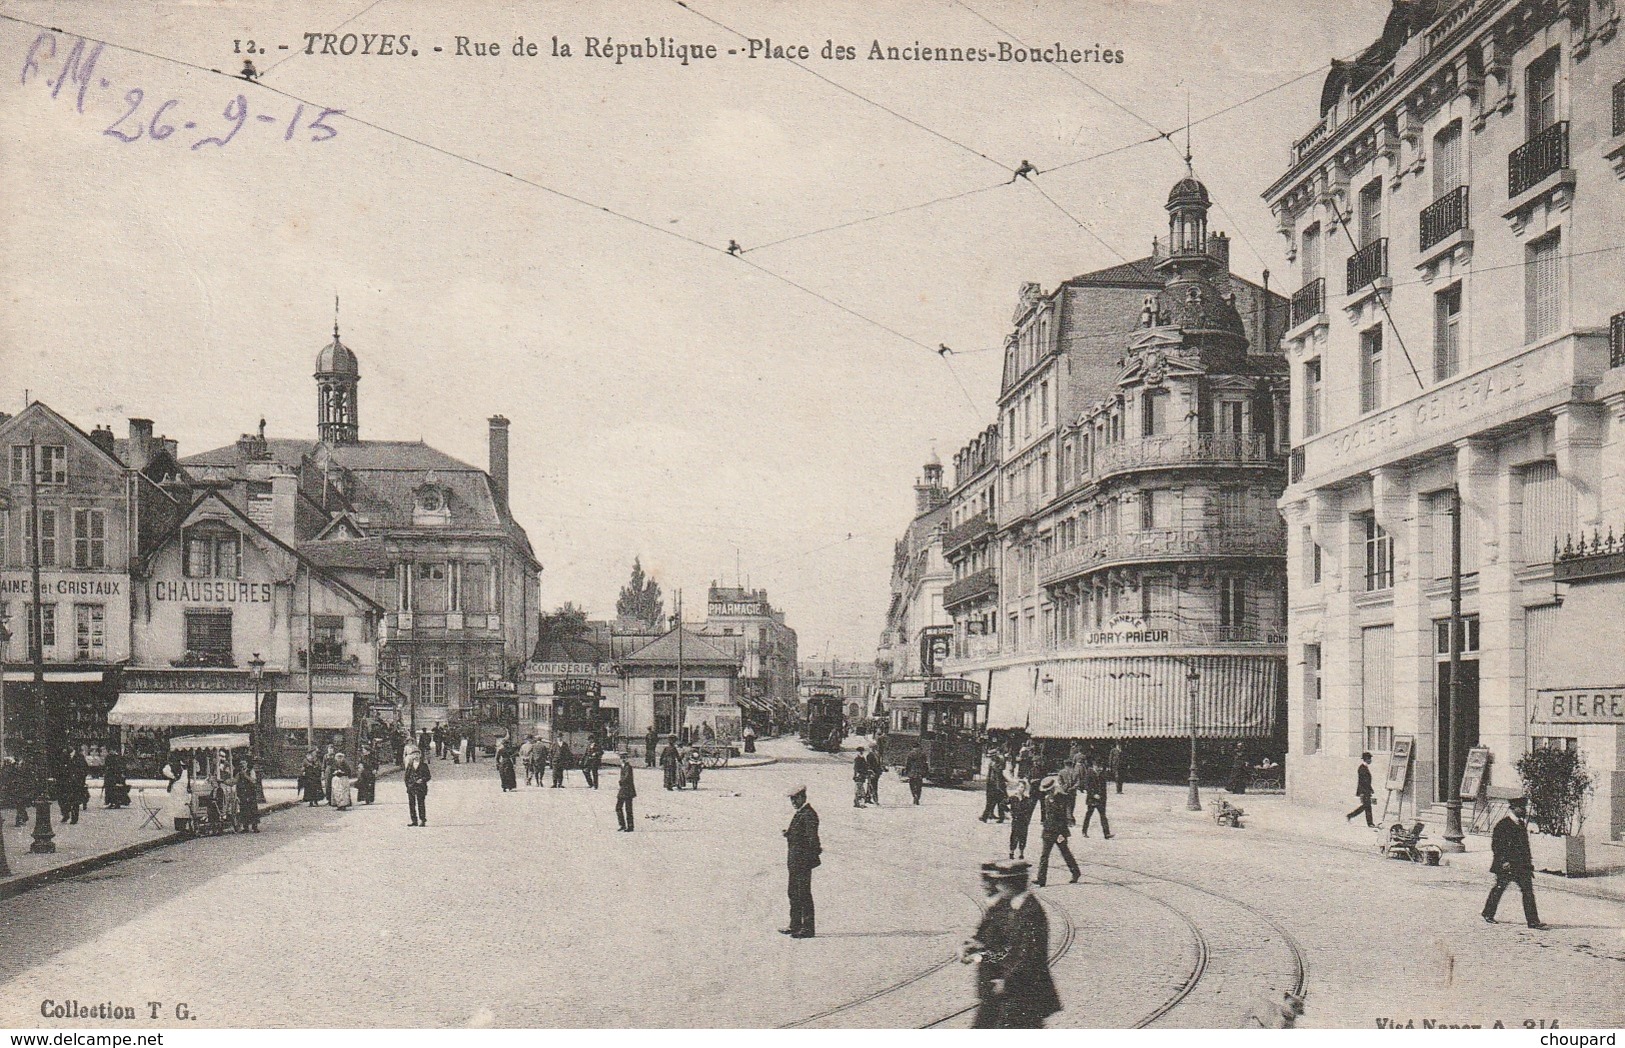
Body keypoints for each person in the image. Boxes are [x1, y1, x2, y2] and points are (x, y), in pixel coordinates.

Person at [960, 860, 1061, 1028]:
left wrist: (1006, 982)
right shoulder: (1013, 907)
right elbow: (999, 940)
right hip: (1010, 990)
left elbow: (1029, 956)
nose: (997, 887)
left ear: (1011, 884)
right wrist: (976, 946)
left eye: (1000, 882)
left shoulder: (1030, 912)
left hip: (1024, 993)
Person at [1482, 796, 1547, 929]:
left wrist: (1529, 863)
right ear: (1513, 808)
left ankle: (1533, 921)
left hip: (1522, 865)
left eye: (1524, 807)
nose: (1524, 810)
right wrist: (1504, 861)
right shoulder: (1503, 825)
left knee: (1528, 891)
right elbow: (1497, 846)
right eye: (1521, 808)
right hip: (1507, 865)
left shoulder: (1521, 824)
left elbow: (1524, 846)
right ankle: (1488, 913)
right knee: (1499, 888)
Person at [782, 784, 821, 938]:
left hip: (802, 862)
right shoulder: (801, 813)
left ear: (802, 797)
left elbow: (812, 840)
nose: (792, 802)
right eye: (791, 799)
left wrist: (808, 860)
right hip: (795, 861)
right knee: (793, 893)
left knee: (803, 894)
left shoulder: (809, 814)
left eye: (794, 799)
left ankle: (808, 928)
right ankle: (795, 924)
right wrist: (789, 834)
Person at [1033, 776, 1082, 888]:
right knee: (1044, 855)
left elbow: (1063, 816)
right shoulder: (1047, 798)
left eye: (1048, 790)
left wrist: (1061, 833)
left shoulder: (1062, 798)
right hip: (1048, 831)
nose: (1046, 792)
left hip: (1060, 832)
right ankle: (1041, 879)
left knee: (1065, 852)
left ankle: (1075, 872)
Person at [1081, 755, 1113, 839]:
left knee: (1103, 816)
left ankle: (1106, 834)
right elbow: (1087, 786)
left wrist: (1104, 798)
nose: (1099, 769)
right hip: (1092, 799)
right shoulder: (1089, 773)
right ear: (1094, 766)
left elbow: (1104, 787)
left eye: (1101, 767)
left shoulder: (1103, 774)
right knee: (1089, 815)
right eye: (1098, 767)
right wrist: (1093, 794)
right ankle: (1084, 831)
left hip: (1101, 799)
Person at [58, 745, 90, 824]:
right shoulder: (64, 756)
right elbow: (60, 768)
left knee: (75, 801)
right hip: (65, 782)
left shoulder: (80, 757)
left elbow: (85, 769)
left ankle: (74, 818)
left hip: (76, 783)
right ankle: (65, 814)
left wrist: (80, 779)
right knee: (62, 800)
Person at [1007, 776, 1036, 860]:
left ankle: (1021, 852)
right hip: (1015, 820)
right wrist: (1009, 812)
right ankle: (1012, 851)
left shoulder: (1027, 799)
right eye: (1020, 787)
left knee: (1023, 836)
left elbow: (1029, 810)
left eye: (1023, 787)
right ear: (1017, 788)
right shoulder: (1013, 798)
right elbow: (1002, 804)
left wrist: (1027, 818)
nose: (1021, 789)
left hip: (1024, 820)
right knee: (1014, 836)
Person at [1346, 751, 1376, 827]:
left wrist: (1370, 789)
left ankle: (1351, 815)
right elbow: (1363, 781)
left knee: (1366, 806)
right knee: (1367, 806)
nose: (1370, 760)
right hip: (1364, 790)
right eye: (1369, 759)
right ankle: (1370, 823)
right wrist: (1366, 790)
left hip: (1366, 790)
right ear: (1366, 759)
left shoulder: (1364, 768)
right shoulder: (1362, 768)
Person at [404, 749, 431, 827]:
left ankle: (422, 820)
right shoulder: (409, 765)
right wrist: (408, 785)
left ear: (420, 755)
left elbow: (428, 776)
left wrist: (422, 779)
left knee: (421, 804)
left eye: (417, 754)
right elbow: (406, 776)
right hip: (411, 787)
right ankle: (414, 821)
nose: (416, 756)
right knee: (411, 804)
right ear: (411, 756)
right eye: (414, 754)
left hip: (421, 787)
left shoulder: (424, 765)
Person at [234, 759, 261, 833]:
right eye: (241, 764)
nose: (242, 765)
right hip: (242, 794)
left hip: (250, 793)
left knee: (253, 810)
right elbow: (235, 782)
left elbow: (253, 781)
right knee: (244, 810)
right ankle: (245, 827)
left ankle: (254, 827)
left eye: (243, 763)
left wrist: (245, 775)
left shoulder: (251, 771)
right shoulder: (239, 773)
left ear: (246, 764)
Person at [980, 752, 1008, 823]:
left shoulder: (993, 765)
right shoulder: (996, 767)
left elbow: (996, 777)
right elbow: (997, 778)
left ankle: (985, 817)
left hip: (993, 786)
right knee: (998, 802)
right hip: (996, 787)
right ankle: (1000, 817)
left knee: (991, 803)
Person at [616, 751, 637, 831]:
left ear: (627, 758)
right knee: (620, 807)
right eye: (621, 758)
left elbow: (626, 777)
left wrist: (621, 782)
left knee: (627, 809)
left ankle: (629, 826)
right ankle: (623, 825)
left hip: (627, 790)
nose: (622, 759)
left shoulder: (628, 767)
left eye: (624, 758)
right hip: (624, 790)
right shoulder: (623, 766)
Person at [1057, 756, 1080, 826]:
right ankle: (1070, 819)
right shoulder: (1075, 772)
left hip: (1064, 791)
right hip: (1072, 792)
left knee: (1065, 805)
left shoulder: (1061, 772)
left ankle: (1068, 819)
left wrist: (1064, 787)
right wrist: (1073, 788)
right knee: (1071, 805)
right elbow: (1078, 782)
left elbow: (1059, 781)